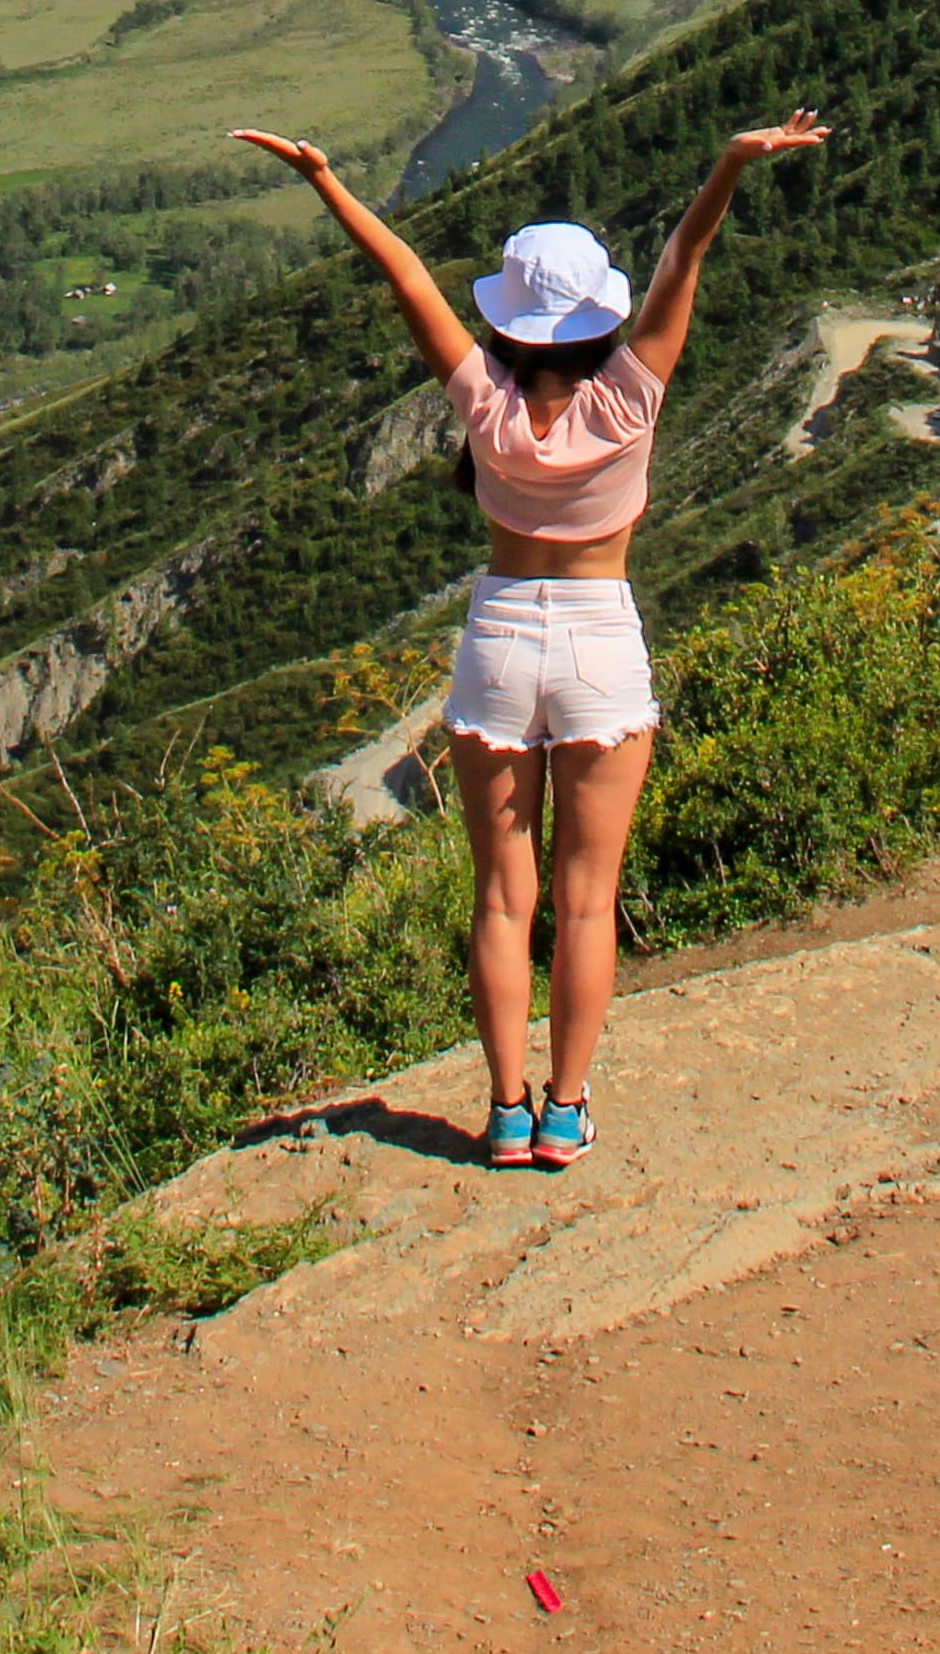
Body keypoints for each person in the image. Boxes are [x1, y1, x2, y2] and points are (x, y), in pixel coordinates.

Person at [230, 110, 827, 1168]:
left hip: (500, 637)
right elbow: (686, 254)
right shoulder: (631, 401)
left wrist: (327, 180)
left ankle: (503, 1112)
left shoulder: (485, 407)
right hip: (601, 639)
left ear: (507, 325)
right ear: (599, 317)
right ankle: (566, 1110)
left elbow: (406, 277)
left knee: (504, 895)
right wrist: (731, 161)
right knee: (587, 899)